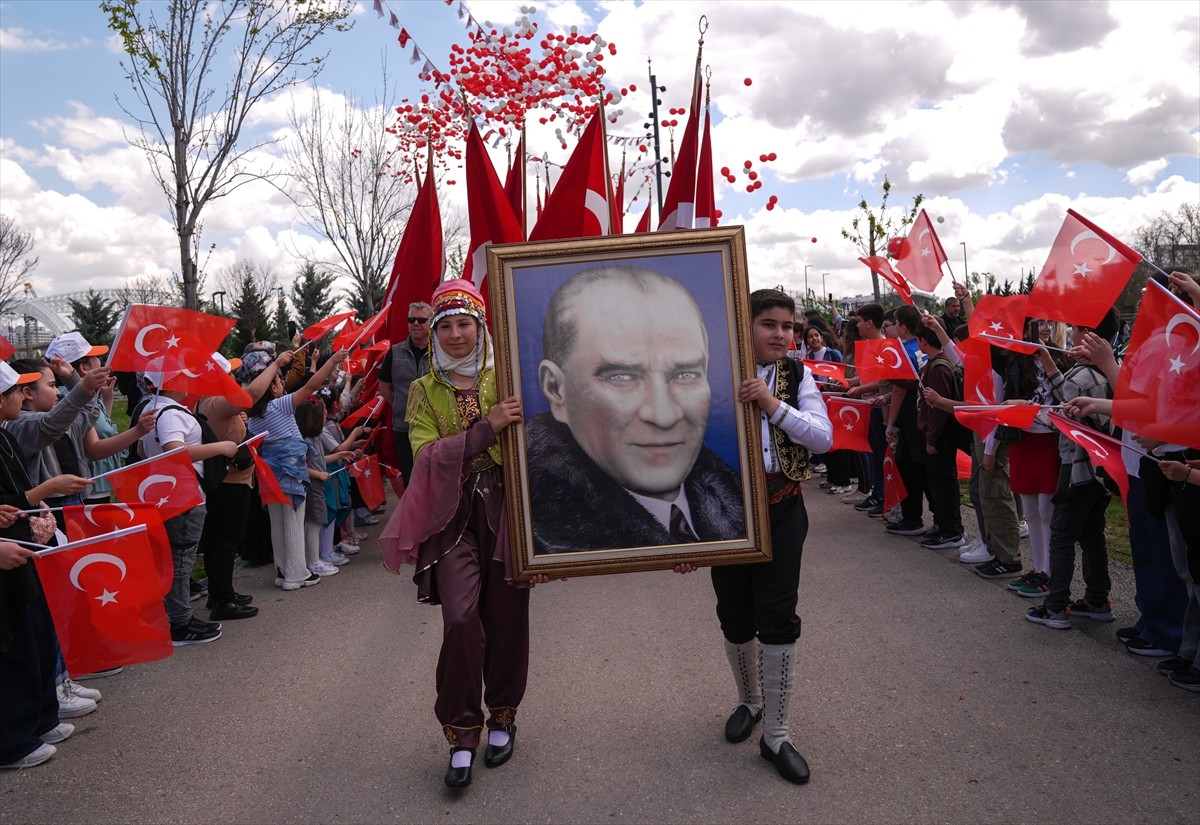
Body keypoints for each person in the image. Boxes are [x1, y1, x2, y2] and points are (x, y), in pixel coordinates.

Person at [380, 279, 550, 789]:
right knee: (460, 619)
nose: (456, 334)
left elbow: (542, 438)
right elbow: (426, 455)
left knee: (508, 618)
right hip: (452, 521)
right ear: (434, 333)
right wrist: (485, 429)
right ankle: (461, 732)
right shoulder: (423, 391)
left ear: (480, 328)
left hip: (506, 510)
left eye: (465, 324)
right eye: (446, 326)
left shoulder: (509, 377)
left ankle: (502, 715)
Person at [679, 288, 833, 785]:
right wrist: (682, 536)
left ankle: (778, 734)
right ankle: (750, 700)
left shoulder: (798, 374)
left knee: (779, 615)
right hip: (727, 513)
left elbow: (823, 438)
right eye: (769, 324)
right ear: (744, 327)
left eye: (787, 326)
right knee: (733, 612)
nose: (782, 335)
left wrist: (771, 404)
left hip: (783, 507)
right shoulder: (710, 375)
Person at [523, 265, 744, 553]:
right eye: (621, 377)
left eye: (686, 374)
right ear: (556, 390)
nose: (663, 416)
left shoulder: (737, 502)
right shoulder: (533, 530)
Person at [0, 361, 92, 770]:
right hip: (6, 555)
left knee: (36, 632)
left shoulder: (4, 437)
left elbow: (12, 495)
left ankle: (39, 717)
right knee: (13, 644)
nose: (22, 397)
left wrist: (32, 510)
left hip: (21, 547)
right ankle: (12, 740)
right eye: (15, 391)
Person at [1025, 308, 1121, 629]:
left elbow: (1058, 414)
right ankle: (1097, 598)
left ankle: (1056, 605)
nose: (1072, 335)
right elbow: (1064, 389)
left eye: (1077, 329)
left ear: (1090, 335)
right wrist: (1047, 359)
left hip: (1076, 466)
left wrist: (1021, 412)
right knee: (1092, 531)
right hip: (1101, 468)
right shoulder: (1113, 369)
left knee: (1063, 534)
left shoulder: (1081, 376)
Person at [137, 368, 239, 645]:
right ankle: (180, 624)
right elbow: (174, 450)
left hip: (165, 492)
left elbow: (141, 452)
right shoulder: (169, 413)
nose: (187, 383)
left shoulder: (151, 408)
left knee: (172, 559)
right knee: (181, 561)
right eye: (180, 377)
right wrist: (221, 448)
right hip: (182, 494)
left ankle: (176, 617)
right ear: (168, 383)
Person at [243, 347, 348, 592]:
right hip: (291, 474)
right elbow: (311, 385)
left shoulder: (252, 417)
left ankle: (282, 570)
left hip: (269, 477)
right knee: (293, 521)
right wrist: (331, 360)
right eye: (279, 380)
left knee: (277, 522)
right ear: (272, 388)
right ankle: (296, 573)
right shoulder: (280, 406)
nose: (282, 384)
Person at [378, 301, 433, 483]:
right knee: (412, 480)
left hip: (434, 427)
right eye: (411, 319)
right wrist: (397, 403)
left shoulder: (441, 352)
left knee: (432, 478)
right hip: (404, 428)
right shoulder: (394, 352)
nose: (415, 323)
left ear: (431, 322)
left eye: (421, 320)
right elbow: (384, 384)